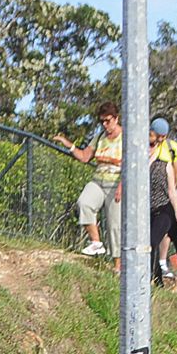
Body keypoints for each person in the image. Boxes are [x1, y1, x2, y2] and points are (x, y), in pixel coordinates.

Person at [54, 104, 122, 258]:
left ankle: (118, 266)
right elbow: (85, 156)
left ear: (116, 118)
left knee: (114, 225)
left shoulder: (125, 138)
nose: (105, 125)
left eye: (108, 121)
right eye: (102, 122)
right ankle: (96, 243)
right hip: (98, 180)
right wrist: (69, 145)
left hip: (115, 184)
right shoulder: (99, 137)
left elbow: (129, 165)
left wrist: (121, 187)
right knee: (84, 203)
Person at [149, 118, 177, 279]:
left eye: (162, 137)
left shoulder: (168, 154)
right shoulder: (139, 156)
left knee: (154, 241)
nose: (158, 141)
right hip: (146, 208)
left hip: (164, 206)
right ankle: (156, 278)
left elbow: (175, 181)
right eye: (155, 137)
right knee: (149, 244)